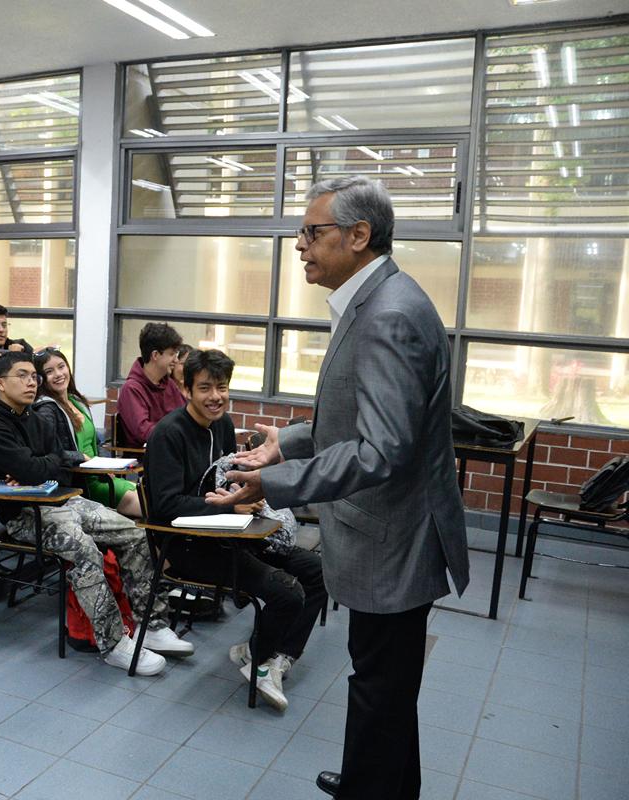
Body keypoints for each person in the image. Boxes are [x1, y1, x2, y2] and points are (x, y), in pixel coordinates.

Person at [222, 177, 470, 799]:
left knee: (381, 683)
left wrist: (273, 481)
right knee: (380, 682)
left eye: (312, 232)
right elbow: (357, 418)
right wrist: (291, 439)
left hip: (395, 538)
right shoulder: (379, 299)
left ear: (359, 236)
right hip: (391, 531)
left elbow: (383, 448)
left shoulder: (388, 315)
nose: (300, 246)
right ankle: (371, 778)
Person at [0, 351, 194, 675]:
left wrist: (40, 467)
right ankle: (115, 643)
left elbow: (60, 466)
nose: (32, 381)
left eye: (34, 375)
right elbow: (40, 466)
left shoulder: (34, 416)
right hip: (24, 515)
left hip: (62, 501)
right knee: (84, 551)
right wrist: (41, 466)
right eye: (23, 375)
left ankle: (154, 625)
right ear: (0, 383)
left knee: (135, 532)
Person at [144, 349, 326, 712]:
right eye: (205, 388)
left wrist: (248, 497)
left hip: (231, 535)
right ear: (186, 389)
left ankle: (272, 657)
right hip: (188, 547)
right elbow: (165, 508)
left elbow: (228, 482)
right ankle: (259, 663)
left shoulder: (223, 426)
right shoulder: (168, 434)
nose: (215, 397)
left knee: (319, 572)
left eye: (222, 387)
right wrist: (229, 504)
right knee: (287, 592)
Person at [34, 347, 139, 517]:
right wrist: (82, 457)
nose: (58, 374)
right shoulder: (46, 410)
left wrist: (105, 464)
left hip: (102, 476)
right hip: (84, 483)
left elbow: (96, 442)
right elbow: (49, 452)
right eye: (49, 371)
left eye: (61, 366)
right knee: (151, 506)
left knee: (151, 495)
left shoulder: (76, 401)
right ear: (40, 379)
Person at [116, 322, 185, 448]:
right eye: (171, 354)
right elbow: (143, 431)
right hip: (145, 460)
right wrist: (180, 435)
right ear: (155, 355)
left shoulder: (169, 384)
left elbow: (186, 415)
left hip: (172, 451)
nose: (176, 360)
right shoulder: (131, 389)